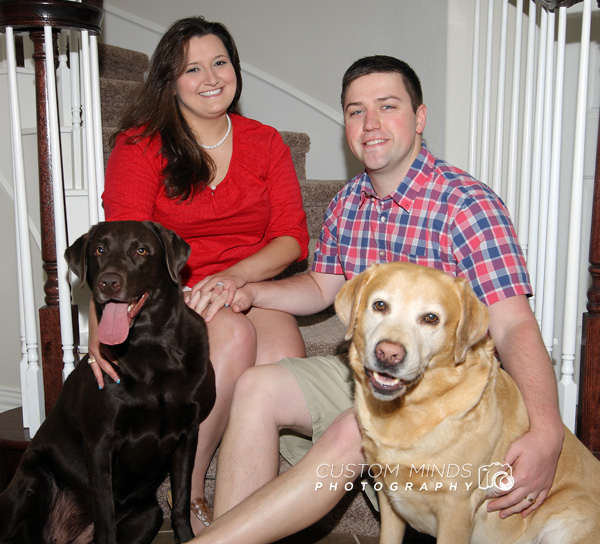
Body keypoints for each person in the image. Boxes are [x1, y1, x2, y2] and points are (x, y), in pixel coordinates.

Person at [188, 55, 565, 543]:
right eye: (355, 110)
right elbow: (322, 287)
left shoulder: (467, 205)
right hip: (366, 375)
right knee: (258, 386)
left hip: (443, 399)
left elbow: (513, 324)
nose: (370, 124)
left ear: (420, 117)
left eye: (387, 106)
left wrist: (548, 429)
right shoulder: (348, 202)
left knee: (352, 430)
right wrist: (250, 290)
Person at [88, 16, 309, 534]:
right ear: (169, 78)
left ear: (235, 69)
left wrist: (236, 279)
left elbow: (291, 238)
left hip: (252, 279)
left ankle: (250, 504)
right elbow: (118, 245)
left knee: (282, 362)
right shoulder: (140, 145)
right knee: (231, 335)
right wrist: (105, 323)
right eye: (193, 68)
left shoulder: (266, 142)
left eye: (220, 63)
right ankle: (187, 488)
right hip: (173, 287)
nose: (211, 77)